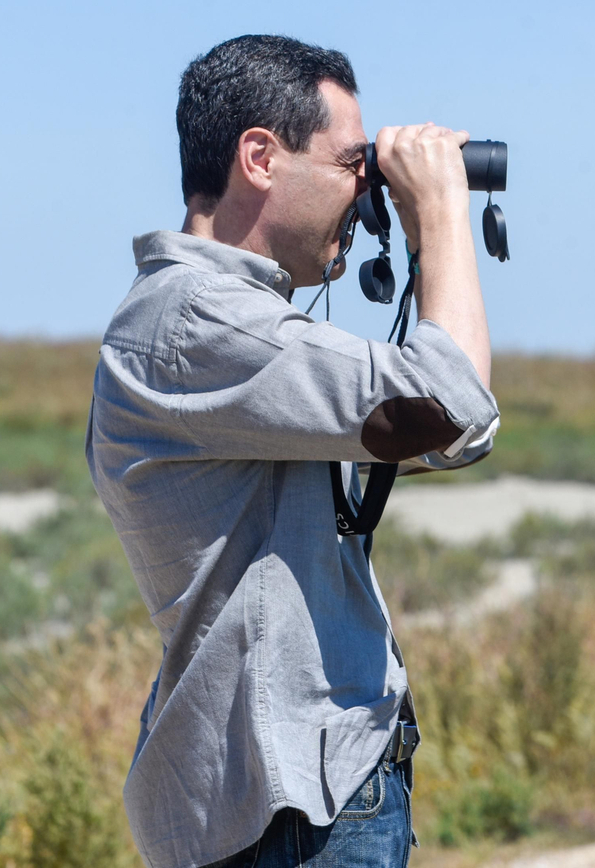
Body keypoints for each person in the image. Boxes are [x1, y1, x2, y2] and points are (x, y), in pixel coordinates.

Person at [86, 34, 499, 868]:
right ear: (261, 158)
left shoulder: (215, 328)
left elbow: (431, 435)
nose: (365, 188)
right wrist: (444, 214)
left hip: (290, 799)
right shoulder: (201, 319)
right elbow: (458, 411)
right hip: (290, 813)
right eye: (354, 163)